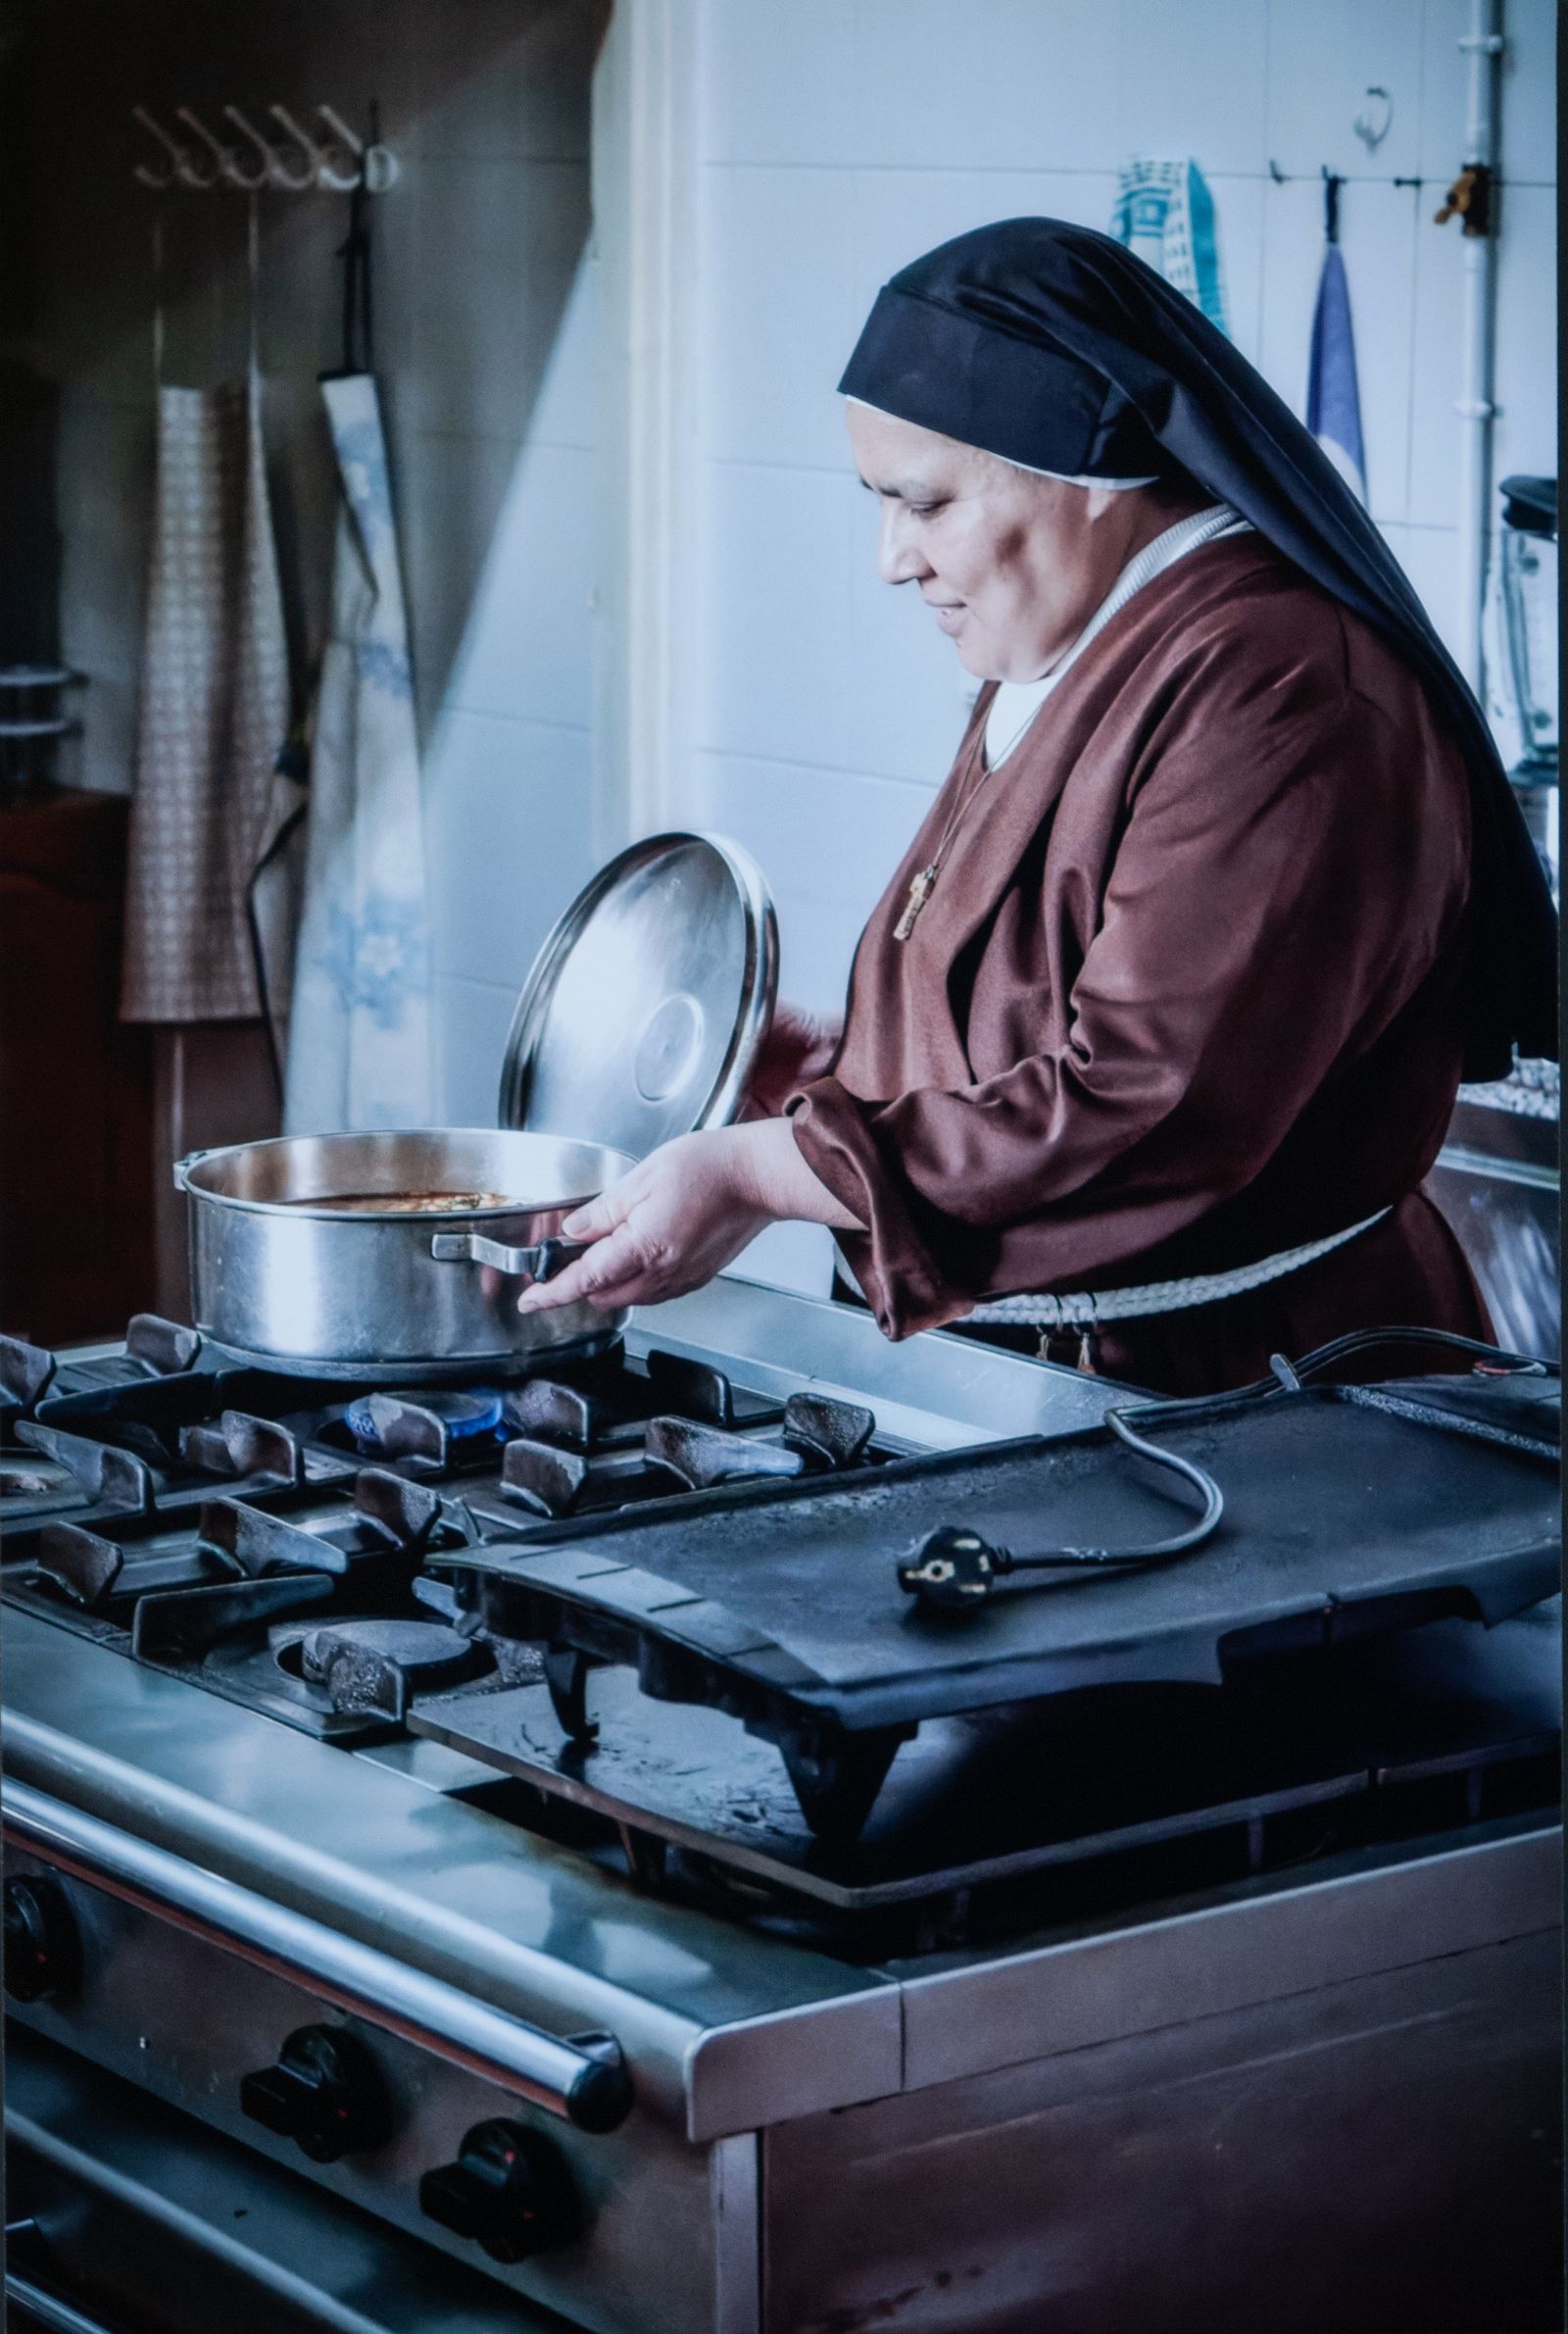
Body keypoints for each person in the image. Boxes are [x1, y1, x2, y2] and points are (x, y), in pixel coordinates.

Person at [515, 219, 1557, 1395]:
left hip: (1245, 1397)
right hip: (1044, 1375)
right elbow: (1038, 980)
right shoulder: (1086, 638)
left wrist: (773, 1171)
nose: (889, 559)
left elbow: (1150, 1098)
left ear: (1087, 472)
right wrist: (845, 1068)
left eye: (924, 503)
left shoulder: (1285, 691)